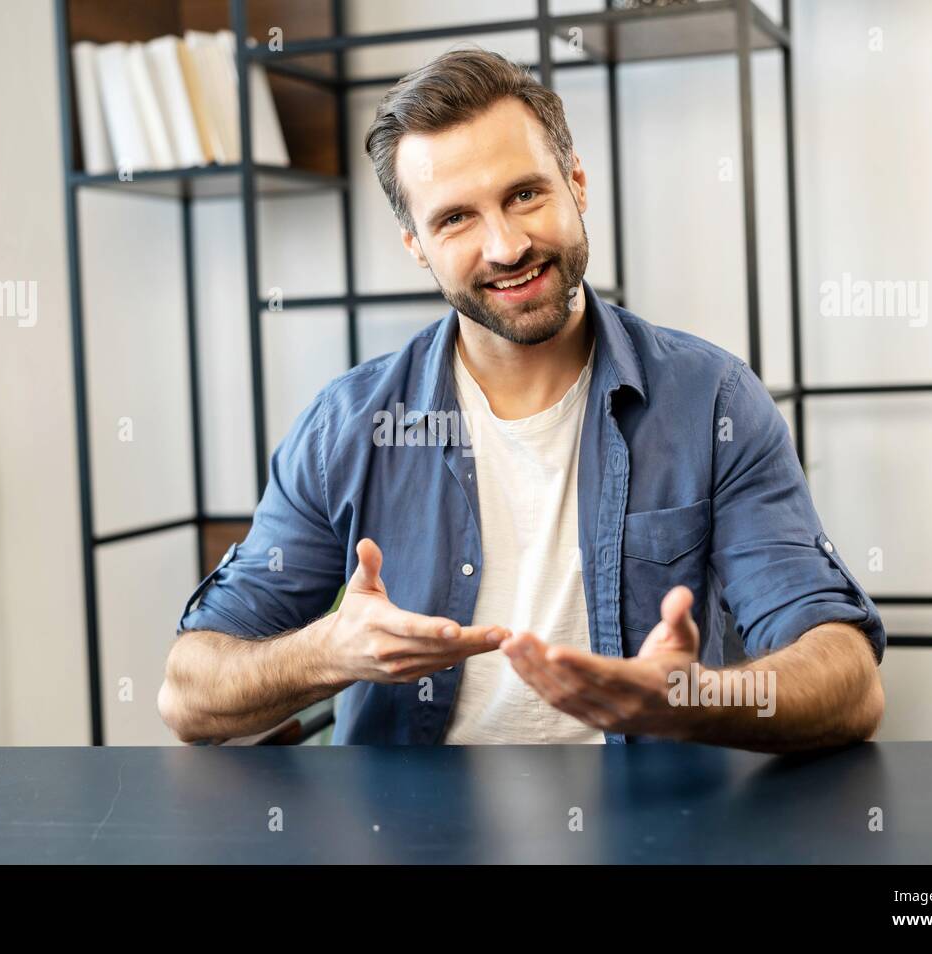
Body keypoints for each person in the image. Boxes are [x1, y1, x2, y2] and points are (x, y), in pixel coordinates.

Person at [159, 48, 886, 749]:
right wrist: (328, 651)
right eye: (456, 218)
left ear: (576, 183)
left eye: (525, 194)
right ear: (416, 244)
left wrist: (692, 698)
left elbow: (849, 683)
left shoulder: (712, 403)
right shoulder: (346, 427)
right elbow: (188, 696)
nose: (506, 246)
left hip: (655, 836)